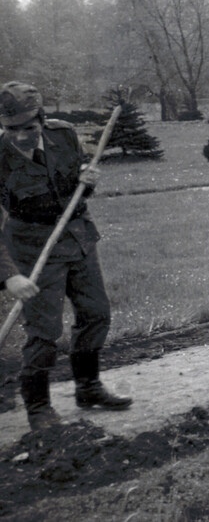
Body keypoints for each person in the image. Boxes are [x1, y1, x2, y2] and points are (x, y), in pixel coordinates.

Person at [0, 81, 132, 432]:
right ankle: (39, 407)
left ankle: (88, 388)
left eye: (29, 128)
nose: (22, 136)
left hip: (77, 237)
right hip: (31, 248)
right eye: (11, 129)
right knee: (44, 331)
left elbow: (74, 187)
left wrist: (87, 181)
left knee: (96, 313)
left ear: (42, 120)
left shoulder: (64, 135)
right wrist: (9, 275)